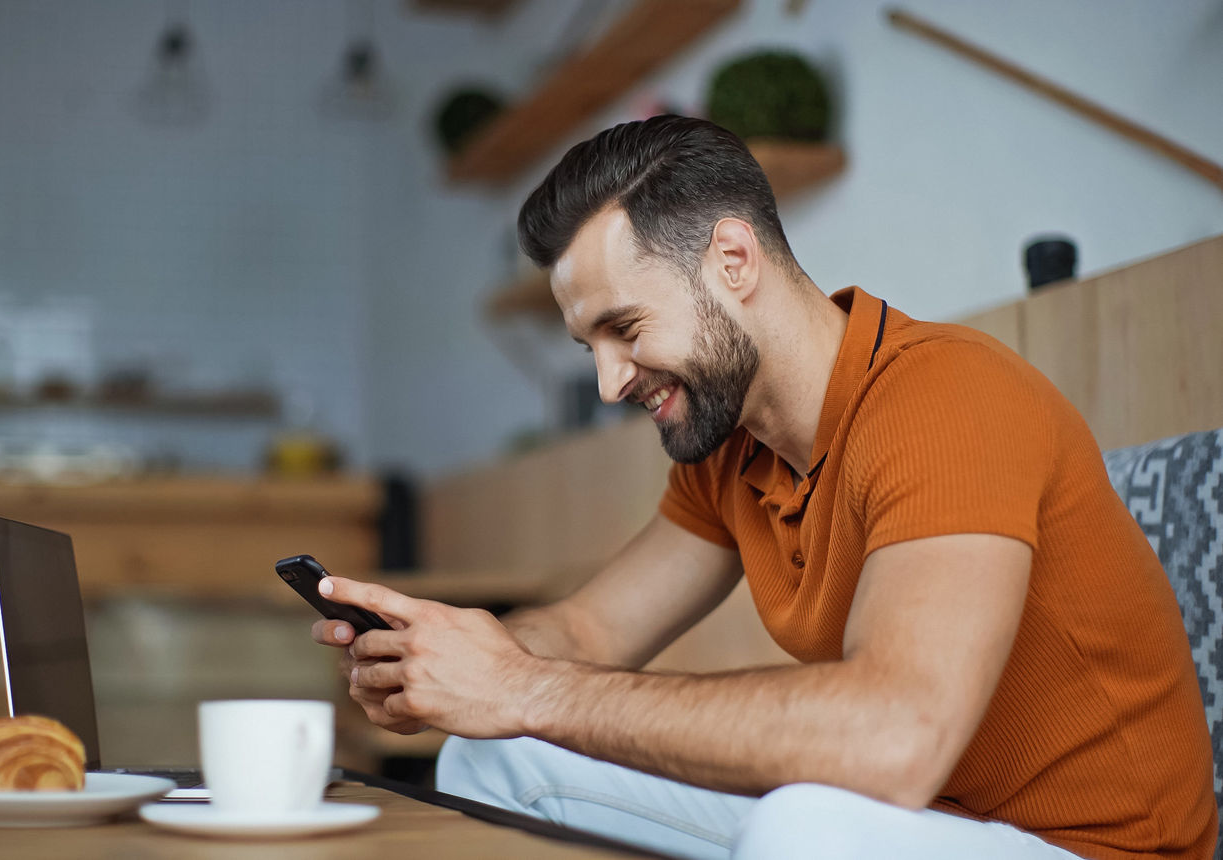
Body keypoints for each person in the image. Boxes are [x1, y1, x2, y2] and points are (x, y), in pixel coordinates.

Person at [311, 115, 1216, 860]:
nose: (609, 382)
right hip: (927, 828)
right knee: (495, 754)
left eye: (624, 329)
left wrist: (530, 691)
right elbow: (586, 632)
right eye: (590, 347)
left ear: (732, 261)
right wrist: (452, 660)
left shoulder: (947, 398)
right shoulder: (729, 445)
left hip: (1094, 851)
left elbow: (895, 738)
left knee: (805, 826)